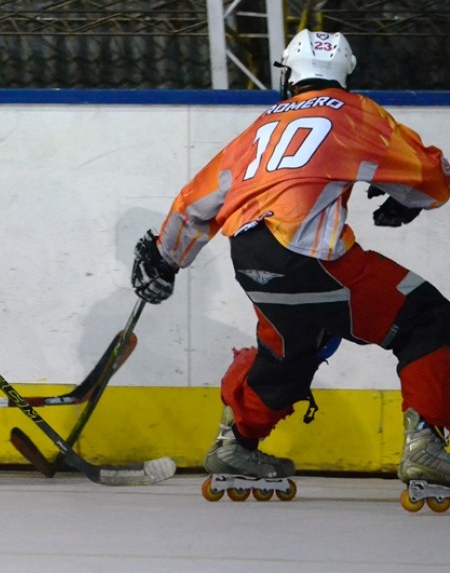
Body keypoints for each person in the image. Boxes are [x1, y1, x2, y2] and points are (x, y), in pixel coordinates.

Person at [131, 29, 450, 492]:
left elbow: (194, 203)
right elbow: (425, 176)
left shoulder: (257, 129)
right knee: (426, 317)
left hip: (252, 258)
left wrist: (165, 261)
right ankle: (424, 443)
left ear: (289, 75)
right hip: (310, 254)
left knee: (290, 348)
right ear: (345, 73)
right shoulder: (356, 111)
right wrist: (412, 199)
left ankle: (236, 444)